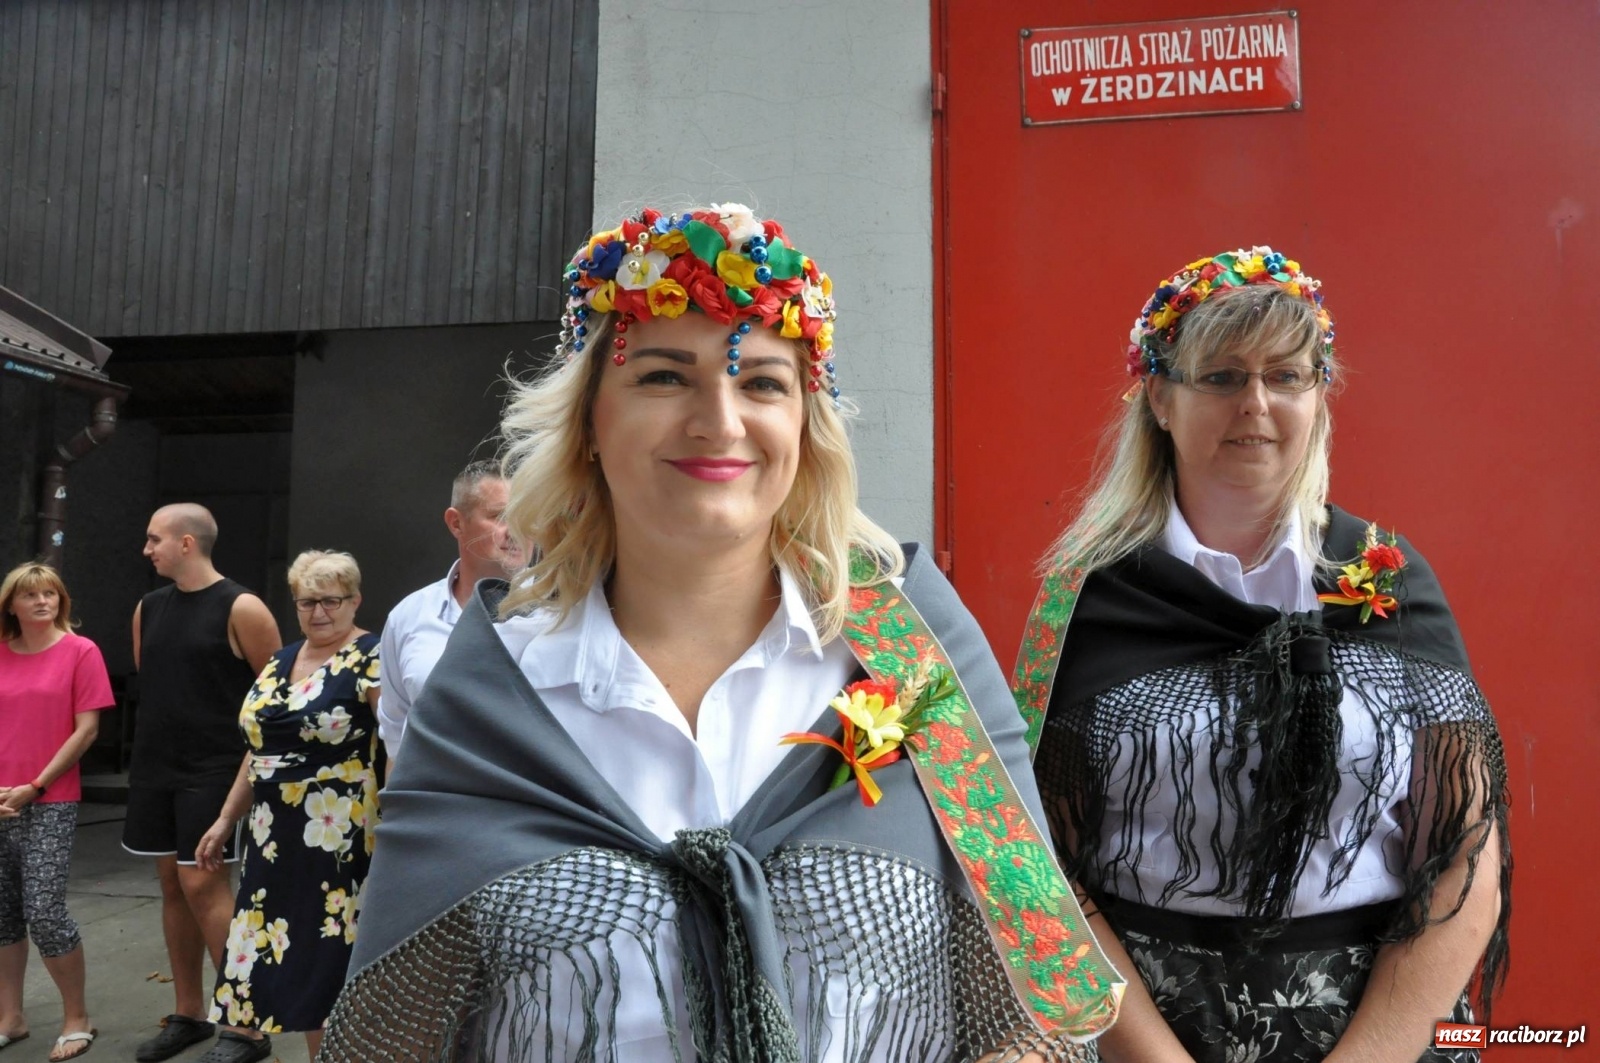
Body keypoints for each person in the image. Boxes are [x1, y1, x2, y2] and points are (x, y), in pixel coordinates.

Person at [318, 204, 1125, 1063]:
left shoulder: (915, 652)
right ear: (591, 420)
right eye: (666, 376)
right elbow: (395, 1031)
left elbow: (1031, 991)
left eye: (763, 382)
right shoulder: (490, 687)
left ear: (806, 429)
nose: (720, 420)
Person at [1011, 247, 1510, 1063]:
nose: (1257, 402)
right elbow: (1041, 866)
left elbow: (1463, 850)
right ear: (1161, 398)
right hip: (1147, 1030)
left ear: (1319, 395)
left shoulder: (1386, 578)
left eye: (1287, 375)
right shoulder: (1081, 601)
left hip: (1378, 1028)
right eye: (1222, 376)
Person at [194, 550, 381, 1063]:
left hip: (336, 832)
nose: (318, 612)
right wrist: (226, 817)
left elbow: (400, 742)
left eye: (331, 601)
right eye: (306, 602)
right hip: (272, 832)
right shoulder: (280, 660)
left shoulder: (373, 655)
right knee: (279, 948)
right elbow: (259, 750)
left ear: (355, 600)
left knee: (325, 951)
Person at [124, 504, 282, 1063]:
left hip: (215, 770)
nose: (147, 550)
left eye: (154, 539)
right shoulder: (149, 607)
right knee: (171, 885)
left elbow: (273, 699)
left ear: (187, 543)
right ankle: (189, 1012)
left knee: (202, 885)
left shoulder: (243, 606)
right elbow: (158, 682)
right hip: (156, 767)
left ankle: (246, 1024)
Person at [0, 564, 115, 1061]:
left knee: (44, 910)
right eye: (31, 595)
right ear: (12, 605)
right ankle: (11, 1016)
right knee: (3, 915)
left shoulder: (80, 651)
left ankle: (76, 1018)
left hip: (49, 797)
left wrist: (36, 784)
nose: (43, 601)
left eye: (51, 593)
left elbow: (86, 730)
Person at [377, 460, 523, 763]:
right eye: (501, 516)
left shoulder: (564, 613)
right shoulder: (408, 618)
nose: (518, 529)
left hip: (531, 806)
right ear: (456, 523)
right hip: (434, 804)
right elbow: (396, 730)